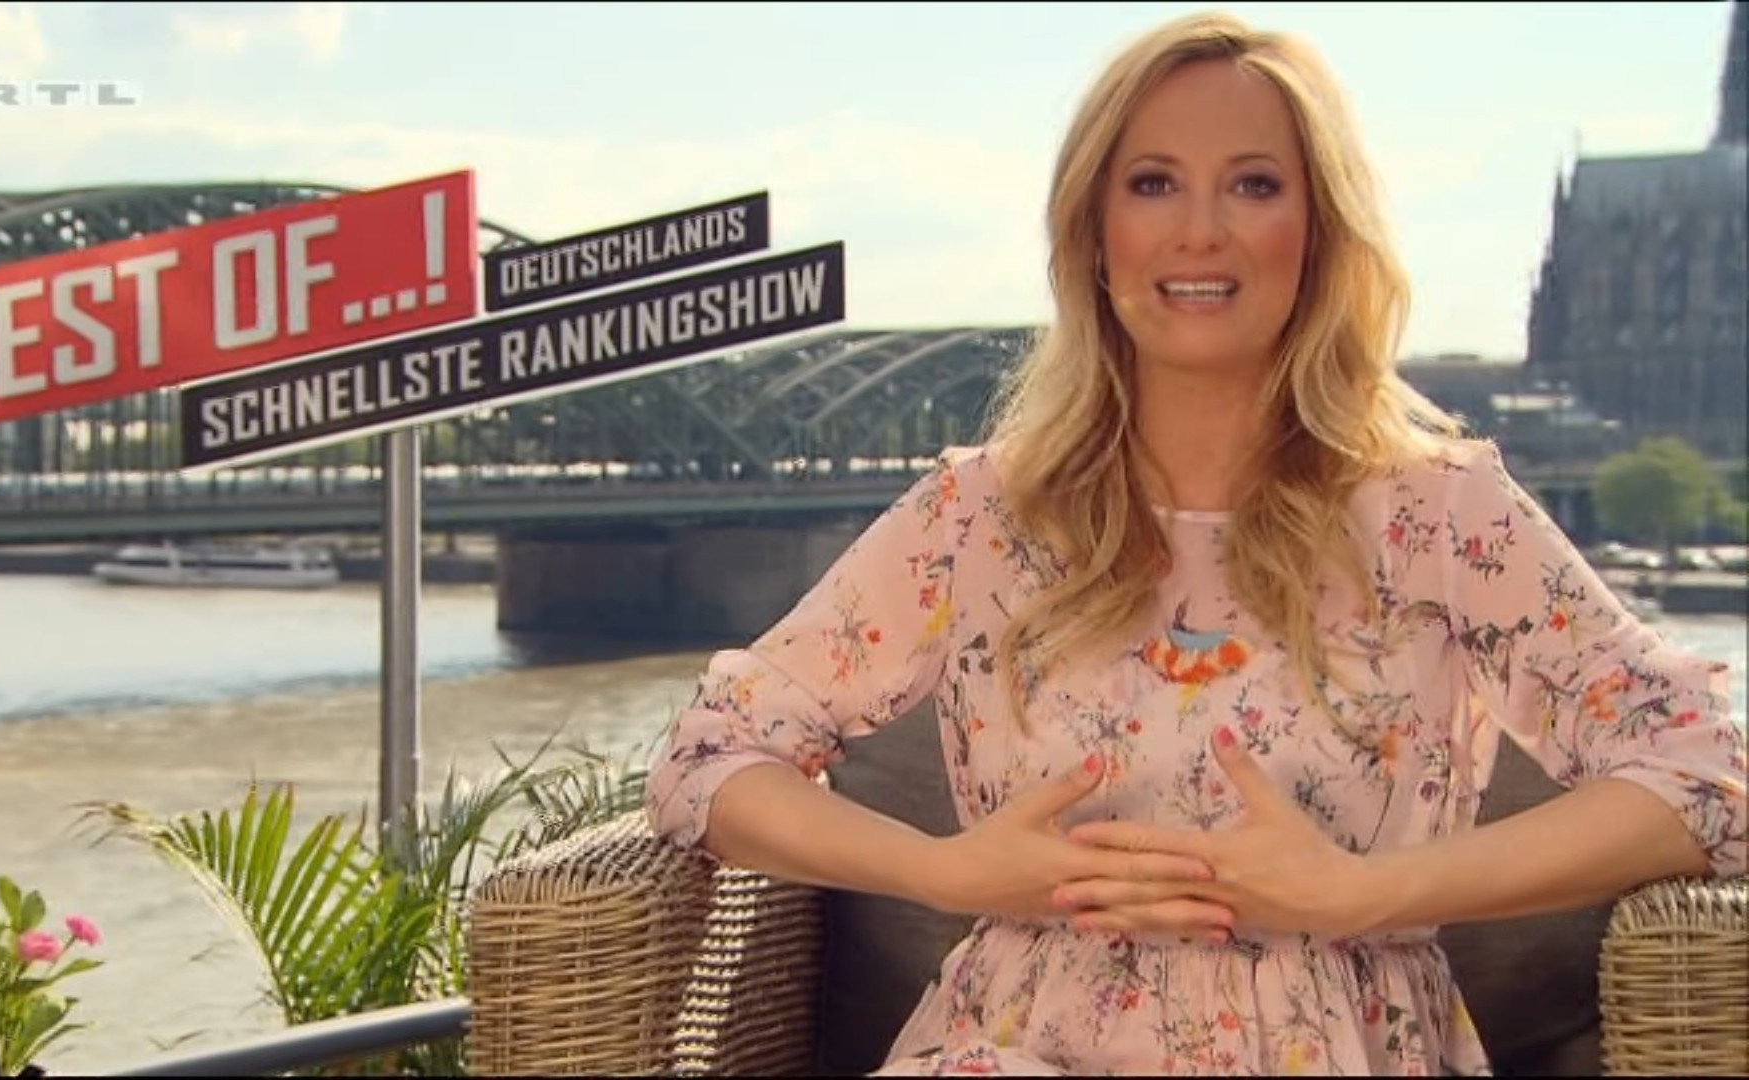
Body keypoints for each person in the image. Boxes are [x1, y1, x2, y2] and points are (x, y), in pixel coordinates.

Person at [646, 9, 1748, 1076]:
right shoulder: (979, 515)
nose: (1200, 232)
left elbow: (1702, 772)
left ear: (1319, 229)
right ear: (1095, 231)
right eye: (1153, 183)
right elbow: (710, 759)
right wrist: (943, 871)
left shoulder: (1439, 513)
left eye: (1255, 185)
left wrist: (1365, 893)